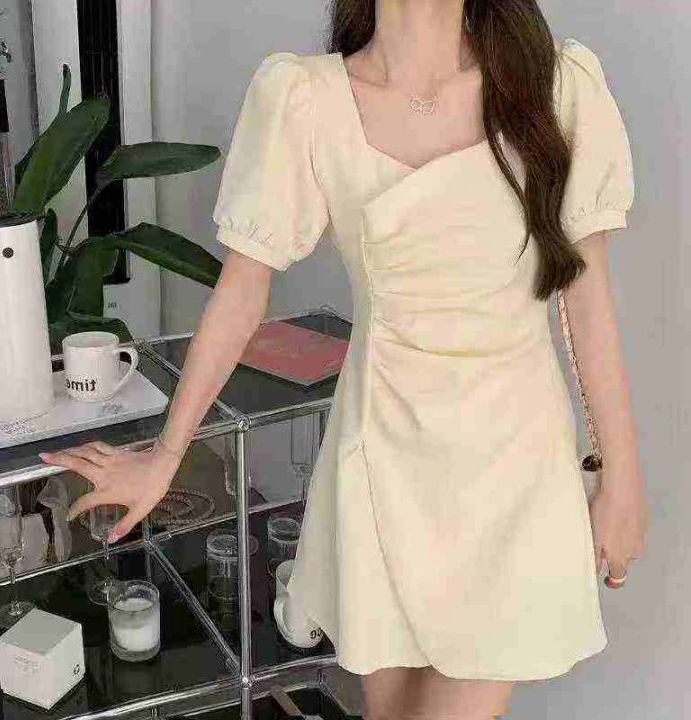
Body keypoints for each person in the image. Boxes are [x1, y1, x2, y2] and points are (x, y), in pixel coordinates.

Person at [39, 0, 650, 717]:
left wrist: (621, 477)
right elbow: (241, 293)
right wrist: (166, 454)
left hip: (518, 473)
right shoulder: (307, 99)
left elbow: (586, 301)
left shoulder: (556, 87)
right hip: (383, 469)